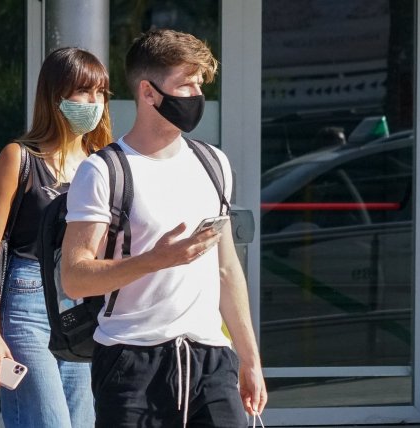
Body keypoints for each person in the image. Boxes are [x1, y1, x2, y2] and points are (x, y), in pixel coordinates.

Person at [61, 29, 267, 428]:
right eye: (184, 84)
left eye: (199, 85)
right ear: (148, 92)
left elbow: (226, 270)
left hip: (210, 358)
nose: (195, 96)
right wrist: (157, 259)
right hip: (130, 361)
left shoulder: (214, 164)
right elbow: (74, 278)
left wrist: (250, 360)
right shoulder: (104, 171)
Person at [0, 47, 112, 428]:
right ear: (55, 97)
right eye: (83, 93)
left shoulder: (101, 162)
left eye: (99, 94)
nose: (93, 103)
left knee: (81, 422)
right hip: (26, 299)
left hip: (80, 305)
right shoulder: (19, 158)